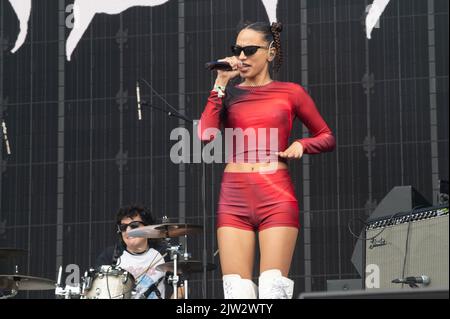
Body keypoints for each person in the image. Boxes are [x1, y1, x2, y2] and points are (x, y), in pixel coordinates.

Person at [198, 22, 336, 299]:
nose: (242, 57)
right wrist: (220, 83)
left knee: (273, 288)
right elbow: (205, 135)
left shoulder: (291, 92)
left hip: (275, 194)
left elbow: (326, 136)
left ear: (270, 53)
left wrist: (302, 144)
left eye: (250, 50)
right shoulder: (229, 93)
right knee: (237, 291)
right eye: (237, 50)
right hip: (234, 196)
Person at [96, 205, 181, 299]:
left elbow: (181, 286)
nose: (128, 231)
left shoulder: (163, 253)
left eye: (134, 226)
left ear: (148, 227)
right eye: (123, 227)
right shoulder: (110, 255)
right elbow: (98, 290)